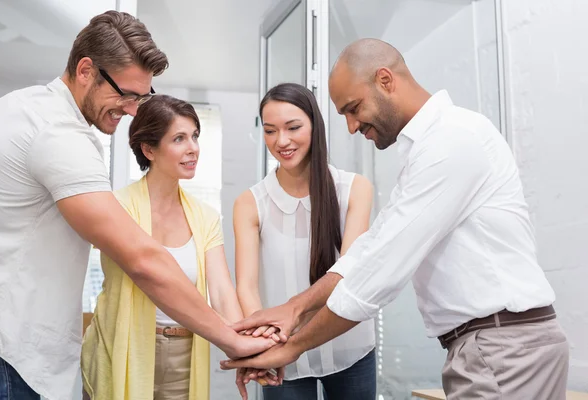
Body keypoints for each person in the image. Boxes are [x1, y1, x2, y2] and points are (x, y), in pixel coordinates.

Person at [221, 39, 570, 400]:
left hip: (501, 349)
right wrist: (294, 309)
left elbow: (380, 272)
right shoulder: (428, 149)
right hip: (492, 347)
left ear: (385, 80)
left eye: (353, 109)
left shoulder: (450, 142)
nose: (352, 127)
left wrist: (292, 346)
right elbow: (370, 250)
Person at [0, 11, 274, 400]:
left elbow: (221, 289)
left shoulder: (21, 109)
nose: (133, 109)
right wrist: (232, 340)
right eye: (126, 93)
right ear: (86, 70)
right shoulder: (57, 134)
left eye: (142, 97)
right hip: (8, 354)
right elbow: (144, 260)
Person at [233, 83, 376, 400]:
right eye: (270, 131)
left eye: (293, 127)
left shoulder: (355, 189)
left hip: (351, 348)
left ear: (315, 125)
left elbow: (348, 273)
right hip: (283, 353)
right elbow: (246, 286)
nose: (281, 141)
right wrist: (266, 343)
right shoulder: (250, 203)